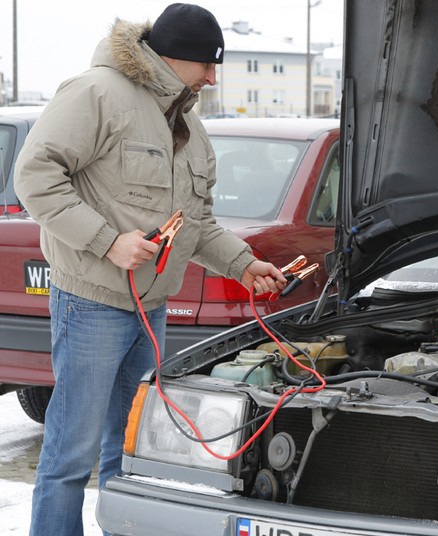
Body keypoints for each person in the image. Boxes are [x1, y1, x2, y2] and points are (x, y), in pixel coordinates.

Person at [14, 4, 287, 535]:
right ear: (170, 57)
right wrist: (107, 241)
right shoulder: (96, 94)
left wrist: (245, 263)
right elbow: (35, 177)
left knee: (134, 454)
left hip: (150, 312)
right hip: (92, 302)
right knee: (72, 451)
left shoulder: (187, 122)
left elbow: (197, 223)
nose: (213, 77)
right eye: (207, 65)